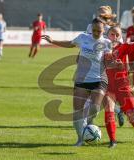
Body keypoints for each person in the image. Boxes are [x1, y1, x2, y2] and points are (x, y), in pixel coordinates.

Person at [42, 18, 111, 146]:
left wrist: (114, 62)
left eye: (99, 31)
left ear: (104, 30)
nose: (96, 33)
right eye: (94, 30)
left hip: (99, 78)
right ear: (91, 29)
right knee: (77, 112)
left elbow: (109, 60)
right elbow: (70, 43)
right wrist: (53, 41)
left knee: (95, 108)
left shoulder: (107, 43)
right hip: (82, 79)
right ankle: (80, 139)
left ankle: (89, 123)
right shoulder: (83, 38)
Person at [104, 17, 134, 148]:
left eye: (117, 34)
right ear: (107, 35)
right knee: (109, 109)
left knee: (133, 117)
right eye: (112, 34)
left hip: (122, 85)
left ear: (120, 37)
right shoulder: (100, 48)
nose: (114, 36)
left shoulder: (124, 47)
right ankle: (113, 141)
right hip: (108, 86)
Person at [85, 5, 125, 127]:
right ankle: (117, 111)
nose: (100, 16)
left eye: (103, 14)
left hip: (108, 67)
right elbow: (87, 42)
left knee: (100, 96)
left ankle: (87, 123)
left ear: (109, 15)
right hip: (93, 64)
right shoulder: (90, 26)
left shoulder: (114, 29)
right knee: (95, 96)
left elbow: (121, 46)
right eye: (99, 13)